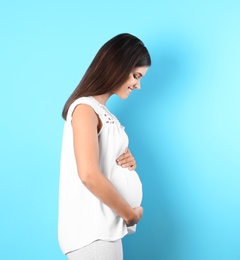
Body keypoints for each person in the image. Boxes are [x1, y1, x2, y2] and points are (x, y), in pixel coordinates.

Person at [58, 33, 151, 260]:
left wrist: (127, 163)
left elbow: (104, 160)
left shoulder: (102, 111)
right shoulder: (84, 108)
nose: (138, 86)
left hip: (104, 231)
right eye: (136, 76)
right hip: (91, 232)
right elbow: (89, 174)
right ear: (118, 67)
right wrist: (129, 215)